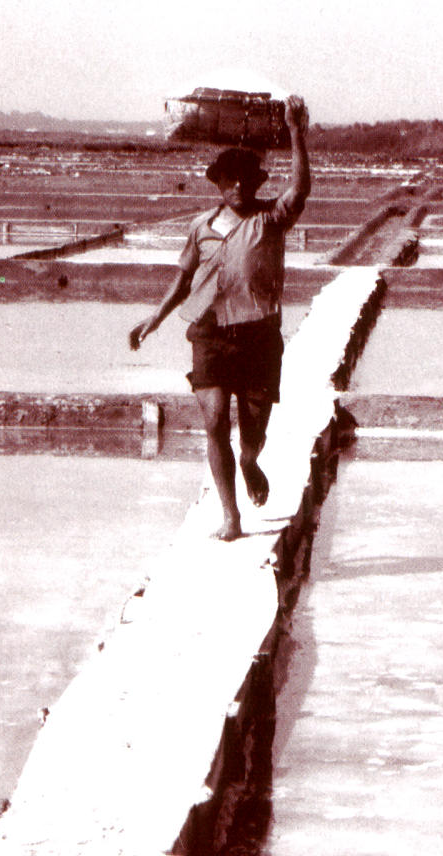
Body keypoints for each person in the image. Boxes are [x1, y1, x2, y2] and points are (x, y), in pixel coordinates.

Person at [130, 95, 310, 540]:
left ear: (255, 182)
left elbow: (300, 190)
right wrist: (154, 318)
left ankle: (249, 462)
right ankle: (231, 516)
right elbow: (183, 278)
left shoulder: (271, 218)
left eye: (246, 178)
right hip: (209, 334)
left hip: (258, 336)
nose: (239, 186)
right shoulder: (201, 227)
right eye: (231, 179)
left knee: (252, 434)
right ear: (219, 183)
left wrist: (295, 132)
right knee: (214, 422)